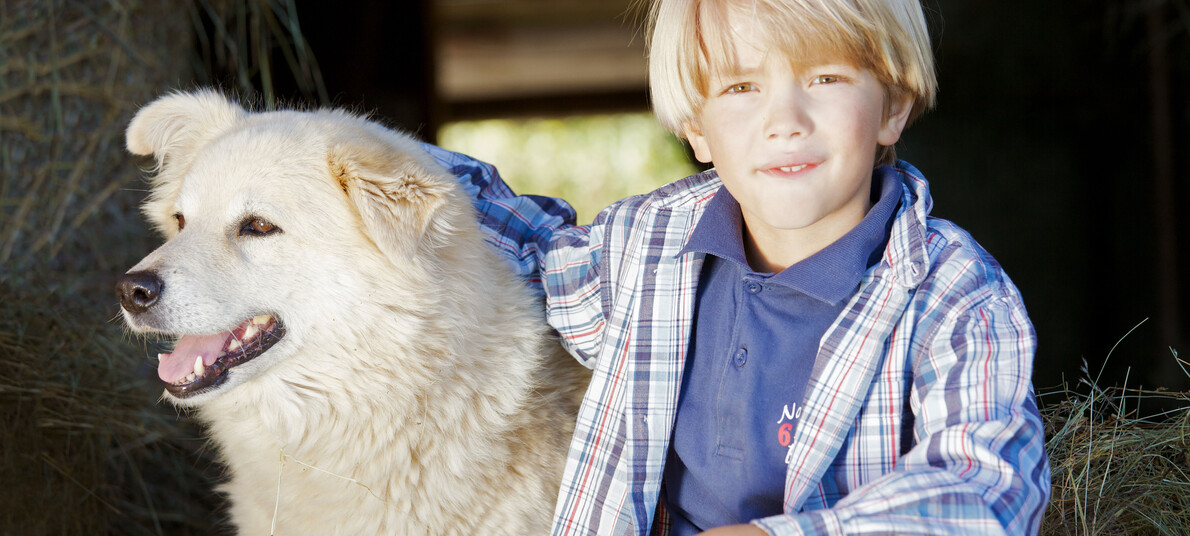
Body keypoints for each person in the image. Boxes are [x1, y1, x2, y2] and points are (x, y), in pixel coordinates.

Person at [423, 0, 1050, 533]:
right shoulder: (649, 248)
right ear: (697, 130)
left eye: (825, 78)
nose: (785, 122)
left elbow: (987, 490)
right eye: (741, 87)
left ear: (891, 107)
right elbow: (525, 253)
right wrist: (347, 158)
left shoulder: (954, 294)